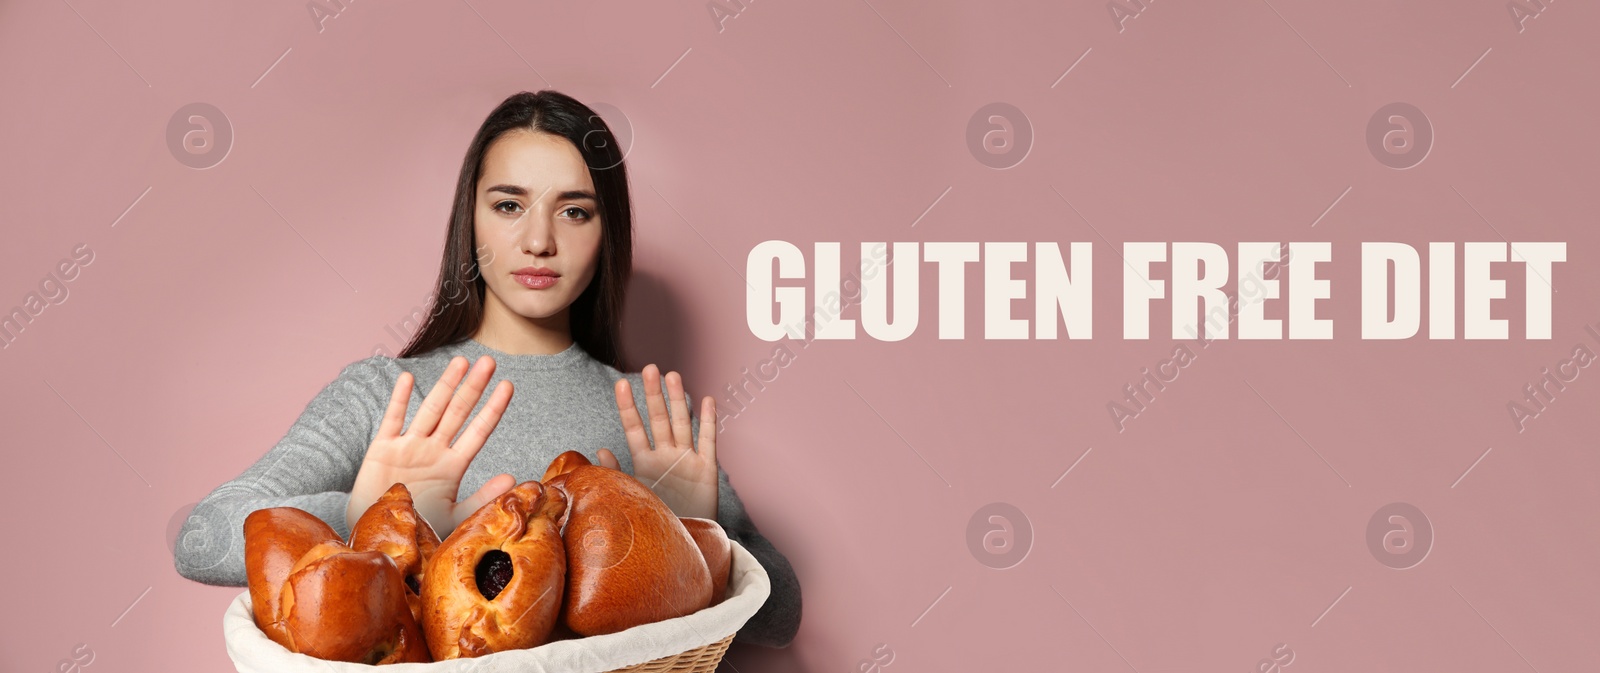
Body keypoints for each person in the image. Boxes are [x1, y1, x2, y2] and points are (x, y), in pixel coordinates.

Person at [173, 90, 801, 648]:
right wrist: (368, 517)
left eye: (575, 211)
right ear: (468, 218)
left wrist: (693, 538)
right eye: (508, 205)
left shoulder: (650, 413)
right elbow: (202, 535)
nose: (538, 241)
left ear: (608, 232)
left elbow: (783, 616)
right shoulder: (384, 392)